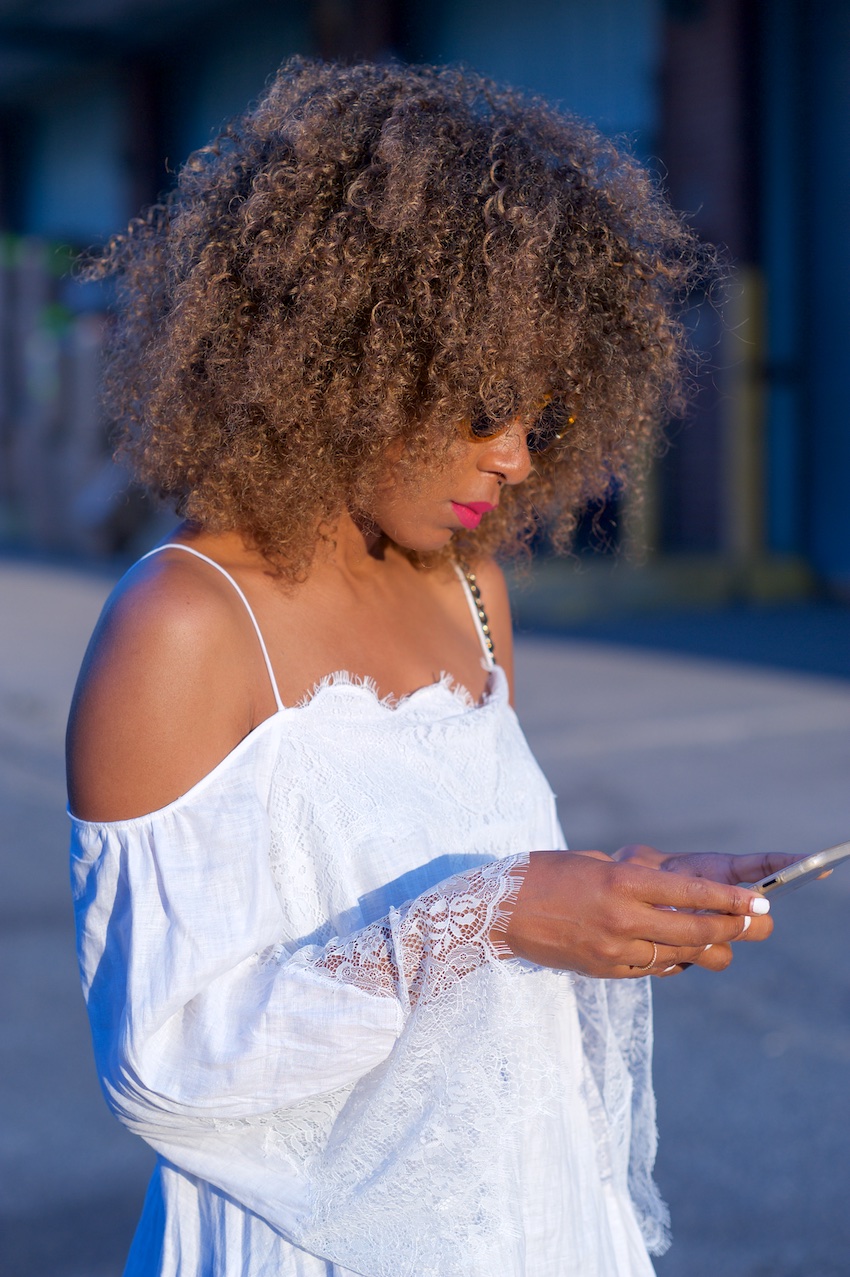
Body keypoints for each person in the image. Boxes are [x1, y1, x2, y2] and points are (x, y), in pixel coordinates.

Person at [67, 59, 786, 1277]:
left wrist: (612, 893)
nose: (514, 458)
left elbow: (468, 881)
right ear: (345, 357)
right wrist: (495, 907)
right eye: (484, 406)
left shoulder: (470, 587)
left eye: (545, 418)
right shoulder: (185, 620)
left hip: (530, 1213)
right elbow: (165, 1059)